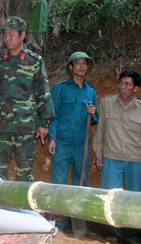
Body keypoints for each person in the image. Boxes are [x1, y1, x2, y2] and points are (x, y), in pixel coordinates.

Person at [0, 16, 55, 181]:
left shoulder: (34, 61)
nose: (6, 38)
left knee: (25, 171)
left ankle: (23, 206)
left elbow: (43, 93)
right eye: (4, 35)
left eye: (11, 34)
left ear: (22, 35)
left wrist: (44, 124)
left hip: (24, 126)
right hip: (0, 126)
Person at [93, 70, 141, 244]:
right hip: (112, 158)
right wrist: (99, 152)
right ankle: (115, 235)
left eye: (127, 84)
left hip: (135, 159)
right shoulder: (107, 103)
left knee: (133, 200)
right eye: (121, 83)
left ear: (136, 88)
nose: (122, 87)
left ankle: (131, 237)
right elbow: (101, 130)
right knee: (111, 198)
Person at [47, 52, 98, 233]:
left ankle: (79, 228)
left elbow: (94, 118)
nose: (82, 66)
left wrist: (93, 112)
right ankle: (57, 224)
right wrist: (52, 138)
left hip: (81, 145)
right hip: (62, 143)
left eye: (85, 63)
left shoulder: (91, 91)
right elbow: (54, 115)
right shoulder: (60, 88)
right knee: (58, 184)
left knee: (80, 184)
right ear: (71, 67)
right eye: (78, 63)